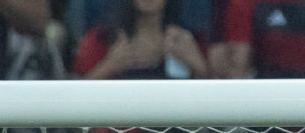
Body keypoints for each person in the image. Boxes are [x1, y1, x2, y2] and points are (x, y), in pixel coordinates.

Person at [72, 0, 208, 79]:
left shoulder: (188, 39)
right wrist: (109, 66)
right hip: (117, 125)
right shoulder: (100, 39)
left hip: (174, 124)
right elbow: (73, 99)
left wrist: (196, 63)